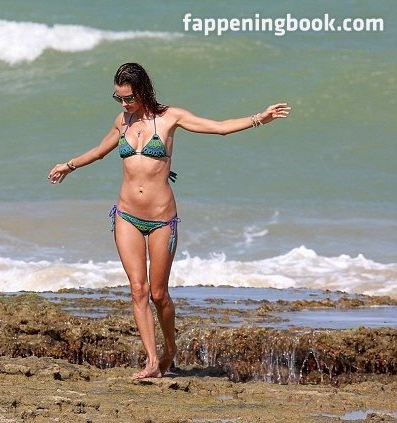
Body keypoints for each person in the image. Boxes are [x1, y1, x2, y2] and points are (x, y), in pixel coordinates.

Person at [47, 62, 291, 379]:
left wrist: (259, 118)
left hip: (162, 220)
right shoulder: (122, 121)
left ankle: (170, 349)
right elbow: (99, 151)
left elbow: (218, 127)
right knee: (138, 289)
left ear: (143, 91)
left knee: (158, 294)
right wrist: (68, 166)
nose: (124, 104)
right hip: (126, 216)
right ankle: (152, 361)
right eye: (118, 98)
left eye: (129, 98)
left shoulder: (170, 118)